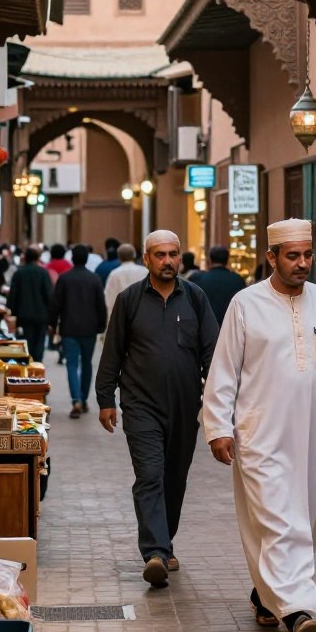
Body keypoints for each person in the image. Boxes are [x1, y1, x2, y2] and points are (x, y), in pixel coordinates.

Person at [201, 218, 316, 632]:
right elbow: (224, 371)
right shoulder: (245, 304)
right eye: (292, 256)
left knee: (308, 518)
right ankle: (297, 612)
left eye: (307, 255)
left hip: (315, 434)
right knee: (281, 520)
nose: (302, 264)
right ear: (271, 257)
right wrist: (218, 426)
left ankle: (265, 593)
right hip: (261, 433)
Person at [96, 229, 219, 587]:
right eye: (160, 255)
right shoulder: (130, 299)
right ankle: (155, 552)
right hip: (140, 405)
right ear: (147, 259)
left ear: (181, 258)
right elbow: (113, 351)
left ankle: (165, 540)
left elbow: (212, 350)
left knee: (174, 477)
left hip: (184, 405)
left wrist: (216, 396)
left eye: (174, 254)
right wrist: (106, 398)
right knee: (150, 475)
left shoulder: (195, 298)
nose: (168, 261)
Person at [49, 244, 107, 418]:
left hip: (69, 328)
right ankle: (84, 398)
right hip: (89, 329)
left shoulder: (64, 279)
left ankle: (76, 400)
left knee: (72, 365)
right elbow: (100, 305)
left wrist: (52, 324)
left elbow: (56, 304)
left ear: (72, 258)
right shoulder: (94, 279)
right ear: (87, 259)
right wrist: (101, 325)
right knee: (87, 364)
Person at [5, 246, 53, 362]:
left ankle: (27, 364)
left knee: (25, 343)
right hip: (41, 315)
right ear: (37, 258)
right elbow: (49, 295)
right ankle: (37, 365)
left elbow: (13, 295)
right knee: (39, 342)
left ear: (25, 258)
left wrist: (11, 310)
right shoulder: (43, 273)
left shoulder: (19, 273)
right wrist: (51, 316)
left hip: (23, 315)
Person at [191, 244, 247, 326]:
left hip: (206, 328)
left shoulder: (199, 279)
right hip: (231, 327)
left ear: (210, 260)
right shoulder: (238, 280)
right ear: (227, 260)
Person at [104, 242, 148, 317]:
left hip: (122, 315)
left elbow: (109, 299)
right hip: (142, 314)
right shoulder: (145, 271)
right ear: (134, 255)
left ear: (119, 256)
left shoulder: (114, 274)